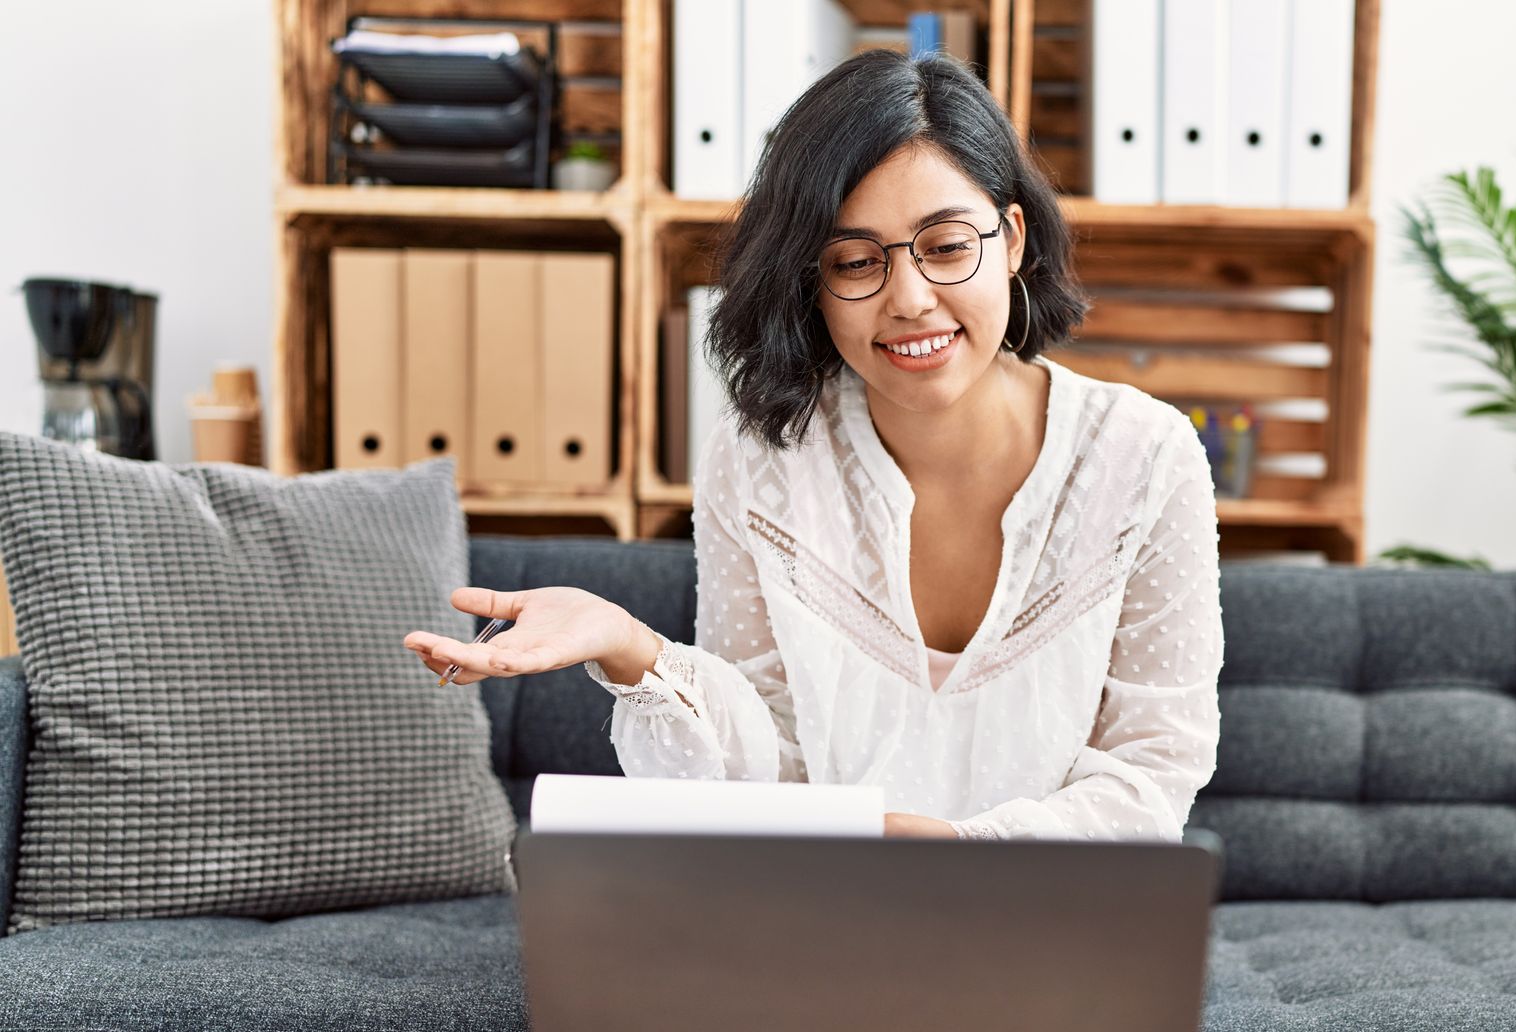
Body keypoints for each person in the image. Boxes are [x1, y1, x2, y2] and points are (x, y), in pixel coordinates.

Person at [403, 49, 1223, 841]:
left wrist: (965, 850)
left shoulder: (1147, 457)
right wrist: (634, 651)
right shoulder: (760, 455)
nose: (909, 299)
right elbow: (765, 761)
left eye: (944, 247)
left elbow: (1151, 774)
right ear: (812, 285)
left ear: (1011, 239)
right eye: (854, 261)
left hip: (1051, 925)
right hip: (818, 922)